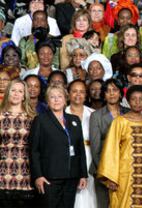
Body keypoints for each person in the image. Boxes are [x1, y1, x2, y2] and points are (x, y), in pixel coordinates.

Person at [97, 85, 142, 208]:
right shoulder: (120, 121)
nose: (137, 102)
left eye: (141, 99)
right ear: (128, 101)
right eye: (134, 99)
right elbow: (111, 149)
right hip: (125, 175)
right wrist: (111, 177)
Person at [29, 85, 88, 208]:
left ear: (65, 99)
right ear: (47, 101)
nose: (56, 100)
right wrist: (38, 176)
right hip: (49, 177)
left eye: (59, 96)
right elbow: (34, 151)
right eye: (52, 97)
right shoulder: (40, 120)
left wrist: (83, 174)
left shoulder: (74, 120)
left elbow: (80, 149)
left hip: (71, 177)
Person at [89, 79, 129, 208]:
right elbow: (95, 149)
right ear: (104, 95)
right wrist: (107, 177)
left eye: (115, 90)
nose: (112, 94)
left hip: (126, 171)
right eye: (108, 91)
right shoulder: (96, 116)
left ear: (120, 93)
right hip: (103, 171)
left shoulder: (129, 113)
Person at [0, 80, 37, 208]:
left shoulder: (32, 118)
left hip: (26, 173)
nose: (16, 94)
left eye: (20, 91)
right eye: (13, 90)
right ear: (8, 92)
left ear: (24, 96)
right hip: (2, 174)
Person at [65, 80, 97, 208]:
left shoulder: (93, 113)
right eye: (74, 91)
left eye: (82, 92)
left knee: (91, 191)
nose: (78, 94)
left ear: (86, 95)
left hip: (90, 155)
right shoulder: (62, 113)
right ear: (68, 94)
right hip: (69, 156)